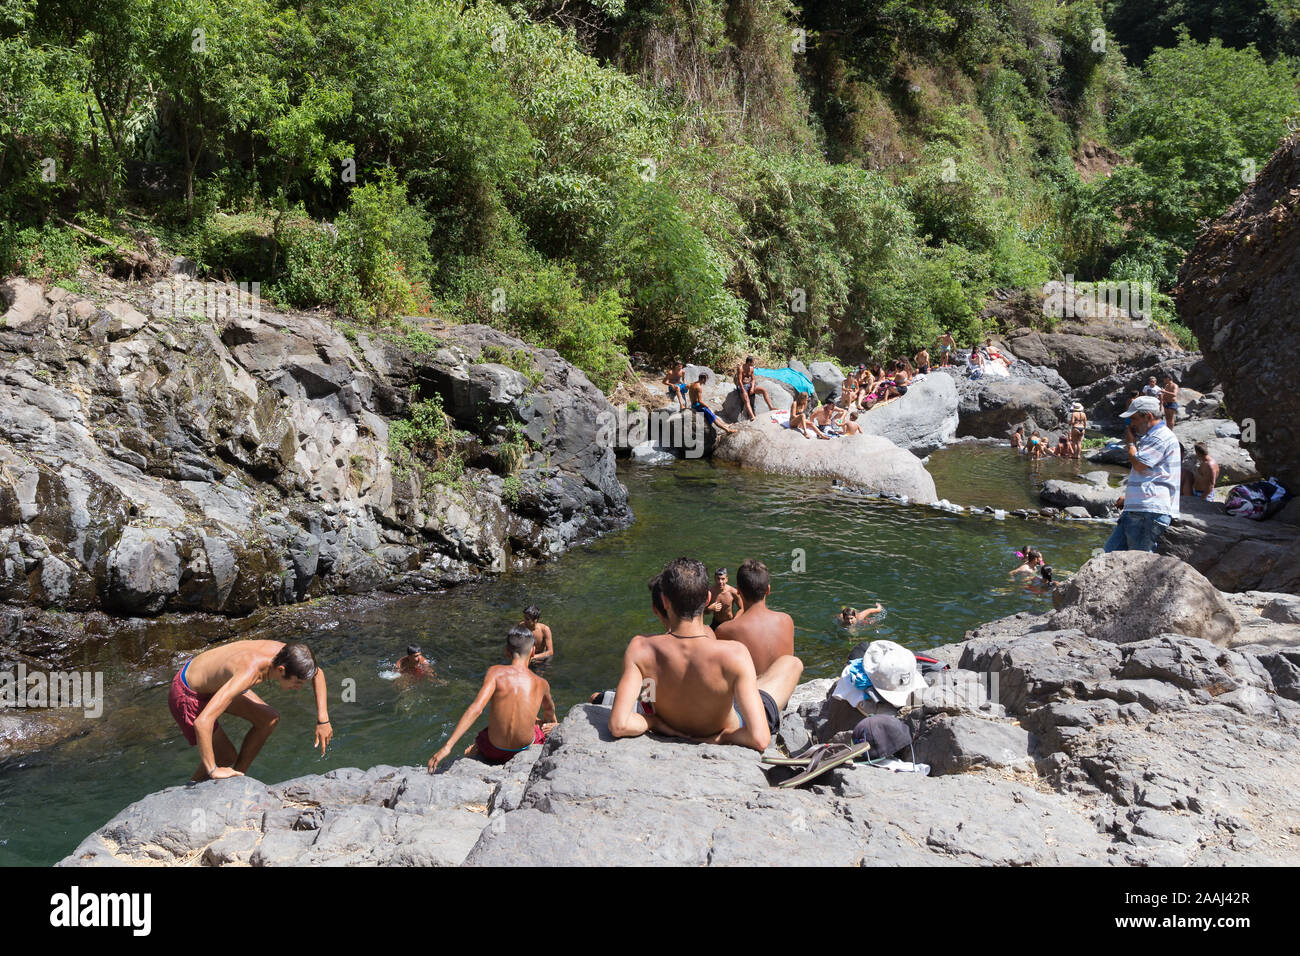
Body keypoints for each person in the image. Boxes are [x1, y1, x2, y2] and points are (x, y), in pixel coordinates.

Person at [608, 558, 802, 752]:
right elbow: (759, 739)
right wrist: (722, 737)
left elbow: (619, 725)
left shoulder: (640, 648)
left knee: (752, 682)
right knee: (791, 663)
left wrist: (653, 723)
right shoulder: (734, 653)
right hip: (728, 723)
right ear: (708, 598)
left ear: (665, 601)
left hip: (673, 722)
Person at [168, 640, 331, 782]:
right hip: (187, 693)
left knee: (269, 719)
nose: (298, 688)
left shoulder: (288, 654)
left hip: (216, 682)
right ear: (281, 670)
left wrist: (323, 720)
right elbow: (202, 722)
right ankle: (192, 788)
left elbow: (318, 673)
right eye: (297, 683)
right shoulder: (249, 673)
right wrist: (213, 770)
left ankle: (238, 777)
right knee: (225, 756)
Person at [427, 626, 557, 772]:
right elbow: (550, 714)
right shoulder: (541, 683)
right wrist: (555, 726)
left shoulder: (495, 672)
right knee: (539, 722)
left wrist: (447, 746)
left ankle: (475, 749)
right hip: (524, 750)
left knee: (486, 732)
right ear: (533, 651)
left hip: (492, 751)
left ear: (507, 652)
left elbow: (477, 708)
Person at [1104, 395, 1181, 552]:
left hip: (1148, 510)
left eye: (1133, 419)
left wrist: (1130, 443)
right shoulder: (1152, 436)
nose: (1131, 424)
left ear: (1148, 416)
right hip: (1140, 509)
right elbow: (1151, 473)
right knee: (1111, 552)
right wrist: (1129, 497)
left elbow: (1139, 464)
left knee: (1137, 561)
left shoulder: (1160, 436)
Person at [714, 559, 804, 687]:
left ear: (738, 591)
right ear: (768, 590)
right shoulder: (786, 620)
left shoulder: (725, 630)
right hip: (782, 695)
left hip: (749, 700)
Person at [733, 356, 774, 421]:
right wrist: (743, 390)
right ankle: (752, 416)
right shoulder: (741, 368)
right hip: (742, 386)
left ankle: (771, 407)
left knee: (763, 390)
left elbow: (753, 379)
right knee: (746, 399)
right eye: (753, 362)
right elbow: (740, 381)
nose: (754, 363)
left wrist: (752, 388)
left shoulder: (751, 368)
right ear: (749, 362)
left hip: (749, 385)